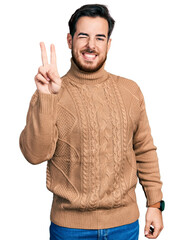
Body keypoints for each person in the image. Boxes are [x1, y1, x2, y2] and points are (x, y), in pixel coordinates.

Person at [19, 4, 164, 240]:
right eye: (83, 36)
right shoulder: (48, 92)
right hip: (69, 229)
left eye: (100, 38)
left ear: (109, 44)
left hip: (124, 226)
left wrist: (155, 204)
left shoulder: (130, 91)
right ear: (70, 40)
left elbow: (144, 149)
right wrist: (47, 99)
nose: (91, 45)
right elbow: (35, 155)